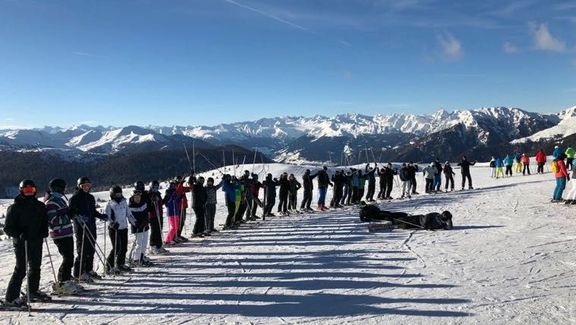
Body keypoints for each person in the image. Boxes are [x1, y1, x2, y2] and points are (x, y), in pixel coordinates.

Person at [2, 180, 50, 308]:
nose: (29, 192)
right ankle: (11, 298)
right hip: (21, 243)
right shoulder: (14, 207)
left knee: (35, 267)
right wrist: (19, 234)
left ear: (35, 191)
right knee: (21, 269)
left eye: (31, 190)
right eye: (26, 190)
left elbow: (44, 221)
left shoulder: (40, 206)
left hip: (36, 240)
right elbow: (7, 228)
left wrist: (44, 231)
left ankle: (32, 291)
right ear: (21, 190)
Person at [45, 178, 83, 296]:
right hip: (59, 233)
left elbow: (65, 215)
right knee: (68, 258)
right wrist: (66, 213)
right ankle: (62, 282)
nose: (65, 190)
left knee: (69, 257)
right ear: (58, 188)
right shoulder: (51, 202)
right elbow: (52, 220)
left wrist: (70, 213)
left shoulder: (59, 200)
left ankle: (66, 279)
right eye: (64, 187)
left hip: (66, 232)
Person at [69, 176, 107, 282]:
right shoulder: (75, 197)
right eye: (83, 186)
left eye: (88, 185)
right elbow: (71, 213)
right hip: (81, 227)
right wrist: (78, 216)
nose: (86, 187)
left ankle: (88, 269)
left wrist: (101, 216)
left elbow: (93, 212)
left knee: (91, 249)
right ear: (79, 186)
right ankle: (78, 273)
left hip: (91, 225)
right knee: (82, 250)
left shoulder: (90, 197)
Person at [105, 185, 134, 274]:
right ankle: (109, 266)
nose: (119, 196)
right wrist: (112, 224)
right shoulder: (110, 204)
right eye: (116, 195)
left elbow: (129, 214)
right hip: (114, 229)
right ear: (112, 195)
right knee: (116, 247)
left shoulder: (124, 202)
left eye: (120, 194)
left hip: (123, 227)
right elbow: (107, 217)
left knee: (124, 247)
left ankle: (120, 264)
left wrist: (134, 222)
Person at [129, 188, 152, 266]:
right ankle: (136, 259)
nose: (137, 198)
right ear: (132, 197)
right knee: (139, 243)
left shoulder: (143, 204)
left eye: (139, 197)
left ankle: (141, 257)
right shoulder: (130, 206)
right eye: (135, 197)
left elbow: (146, 214)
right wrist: (137, 224)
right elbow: (131, 218)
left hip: (145, 226)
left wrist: (146, 221)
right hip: (137, 228)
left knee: (144, 243)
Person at [148, 180, 168, 255]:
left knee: (159, 229)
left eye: (157, 187)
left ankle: (159, 245)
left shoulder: (158, 194)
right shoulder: (149, 194)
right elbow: (149, 205)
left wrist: (165, 199)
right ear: (151, 187)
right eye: (154, 187)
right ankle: (152, 246)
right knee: (154, 230)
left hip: (159, 214)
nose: (155, 188)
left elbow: (160, 203)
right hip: (153, 215)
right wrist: (152, 201)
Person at [163, 180, 181, 245]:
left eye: (174, 186)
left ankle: (172, 238)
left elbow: (177, 201)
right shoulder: (168, 193)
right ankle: (167, 240)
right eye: (172, 186)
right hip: (171, 212)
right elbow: (166, 203)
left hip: (176, 211)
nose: (173, 187)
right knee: (173, 227)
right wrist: (170, 198)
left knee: (176, 226)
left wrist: (180, 197)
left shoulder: (175, 193)